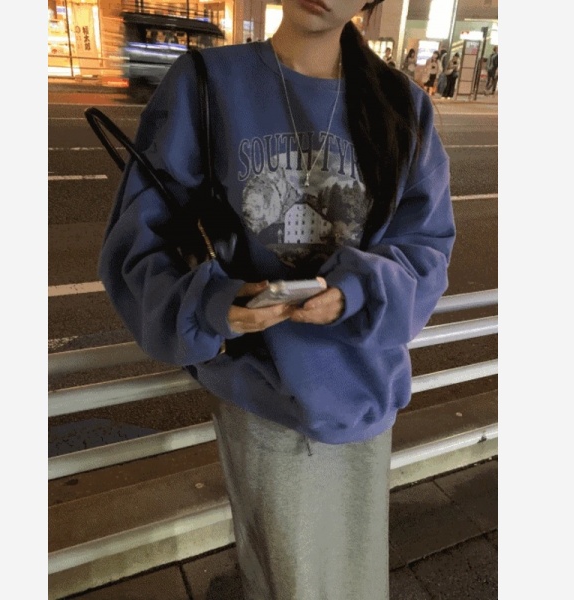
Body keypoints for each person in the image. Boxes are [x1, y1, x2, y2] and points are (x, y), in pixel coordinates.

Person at [98, 0, 456, 598]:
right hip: (260, 393)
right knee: (283, 578)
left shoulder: (401, 103)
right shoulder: (208, 83)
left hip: (363, 392)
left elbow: (426, 248)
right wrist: (212, 303)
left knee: (348, 579)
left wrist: (358, 290)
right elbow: (138, 244)